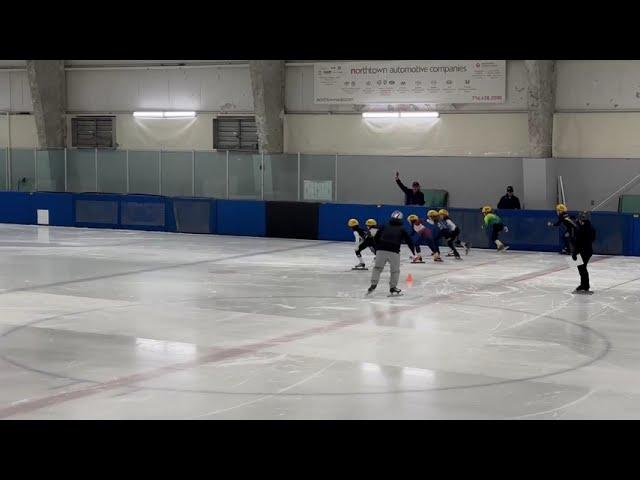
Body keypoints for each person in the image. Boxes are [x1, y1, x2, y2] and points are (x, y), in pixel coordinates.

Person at [367, 210, 416, 296]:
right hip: (394, 251)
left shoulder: (384, 226)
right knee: (395, 271)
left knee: (377, 268)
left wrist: (378, 248)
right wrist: (414, 252)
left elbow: (376, 237)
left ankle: (373, 284)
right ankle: (393, 288)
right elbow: (409, 241)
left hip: (381, 249)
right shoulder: (402, 229)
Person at [550, 204, 596, 293]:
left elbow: (578, 242)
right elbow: (592, 239)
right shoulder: (589, 228)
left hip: (583, 251)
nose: (578, 220)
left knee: (582, 268)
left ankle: (585, 285)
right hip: (588, 250)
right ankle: (584, 285)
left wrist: (574, 253)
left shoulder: (581, 229)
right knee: (582, 267)